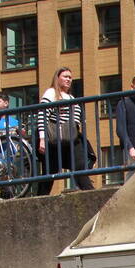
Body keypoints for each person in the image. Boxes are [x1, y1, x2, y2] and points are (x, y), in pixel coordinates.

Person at [36, 67, 95, 195]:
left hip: (71, 138)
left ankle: (90, 193)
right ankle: (39, 198)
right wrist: (42, 138)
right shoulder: (51, 93)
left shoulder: (71, 97)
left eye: (70, 77)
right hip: (54, 138)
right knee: (50, 171)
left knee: (79, 165)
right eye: (65, 76)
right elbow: (42, 116)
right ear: (57, 78)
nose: (68, 79)